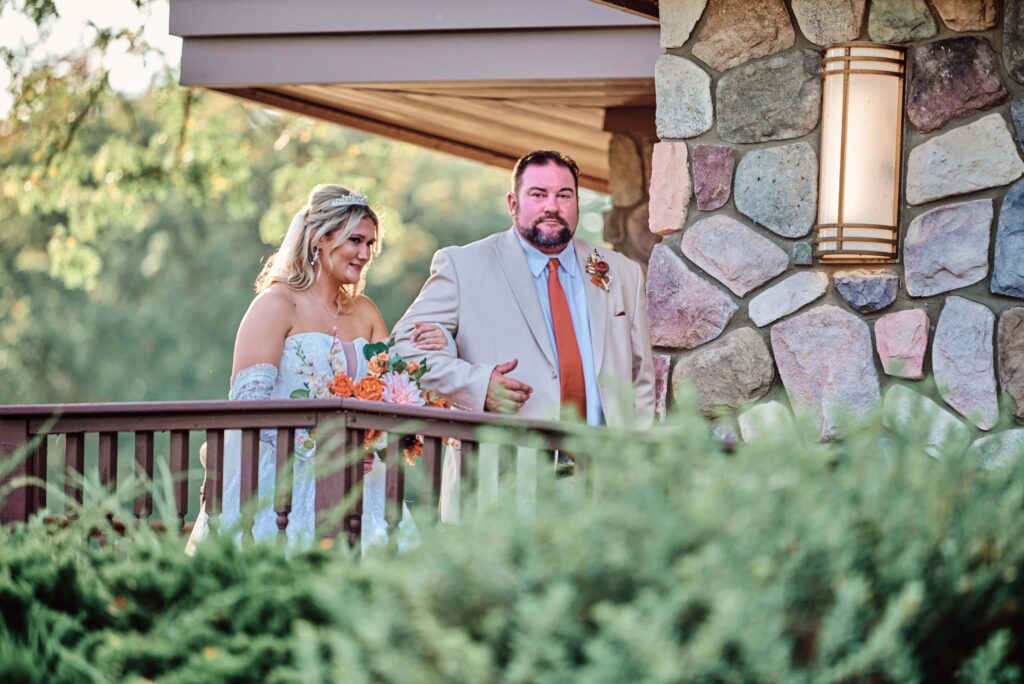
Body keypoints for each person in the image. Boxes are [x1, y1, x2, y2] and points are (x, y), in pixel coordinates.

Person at [186, 184, 450, 553]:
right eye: (355, 240)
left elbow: (396, 386)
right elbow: (248, 407)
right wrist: (321, 453)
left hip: (362, 486)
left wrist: (429, 346)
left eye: (370, 244)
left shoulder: (365, 311)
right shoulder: (276, 305)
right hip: (282, 487)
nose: (364, 254)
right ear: (320, 239)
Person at [392, 150, 656, 515]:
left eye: (564, 195)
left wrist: (636, 463)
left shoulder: (622, 272)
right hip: (500, 486)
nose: (552, 206)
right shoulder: (464, 266)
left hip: (606, 490)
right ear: (513, 203)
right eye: (538, 194)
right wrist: (478, 386)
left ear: (577, 203)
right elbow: (404, 347)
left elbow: (641, 379)